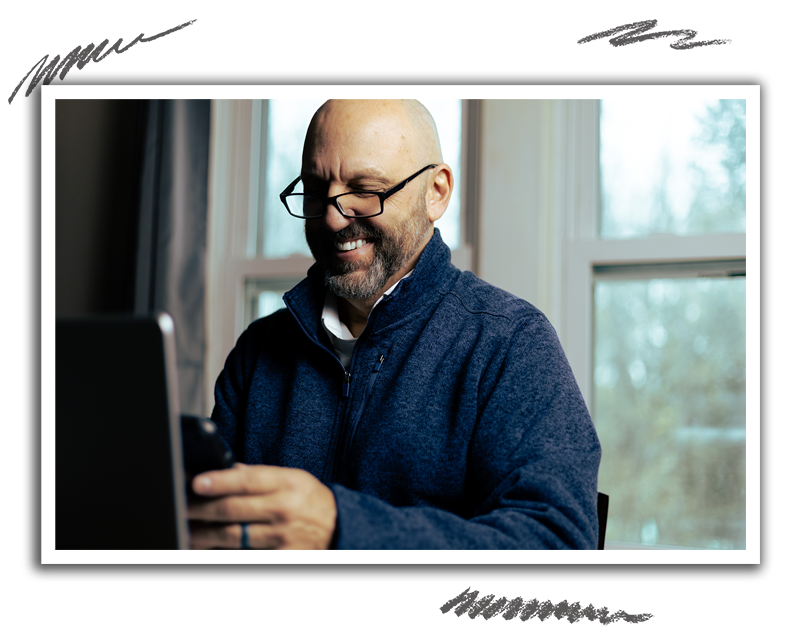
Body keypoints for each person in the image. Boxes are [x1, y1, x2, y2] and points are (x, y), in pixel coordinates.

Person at [187, 99, 601, 550]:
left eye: (365, 189)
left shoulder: (511, 344)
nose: (332, 216)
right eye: (315, 188)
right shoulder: (259, 349)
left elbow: (558, 545)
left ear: (436, 192)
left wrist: (341, 529)